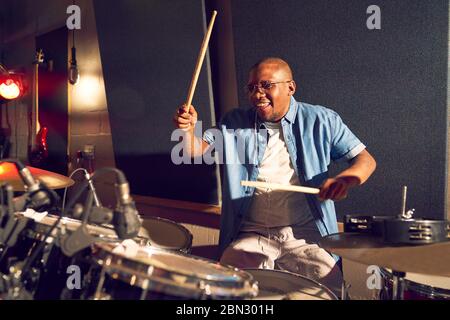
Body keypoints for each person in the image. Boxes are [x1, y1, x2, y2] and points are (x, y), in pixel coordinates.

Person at [172, 57, 376, 294]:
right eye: (251, 87)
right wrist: (186, 130)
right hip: (252, 234)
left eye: (267, 85)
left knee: (328, 291)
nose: (257, 94)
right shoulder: (235, 121)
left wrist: (346, 179)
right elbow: (195, 151)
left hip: (305, 235)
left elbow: (366, 160)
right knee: (223, 291)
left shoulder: (322, 120)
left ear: (291, 87)